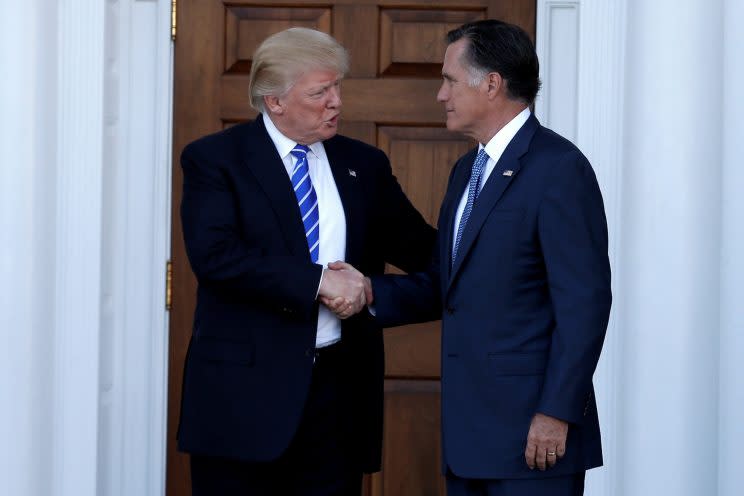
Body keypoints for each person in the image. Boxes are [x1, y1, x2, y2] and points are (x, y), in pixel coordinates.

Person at [326, 19, 612, 496]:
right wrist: (370, 291)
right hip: (470, 436)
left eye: (450, 80)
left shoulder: (559, 168)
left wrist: (556, 412)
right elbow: (451, 283)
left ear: (492, 84)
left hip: (533, 437)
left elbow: (584, 304)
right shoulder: (467, 170)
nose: (441, 94)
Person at [176, 27, 435, 495]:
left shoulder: (364, 164)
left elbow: (422, 251)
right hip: (243, 398)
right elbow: (216, 258)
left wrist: (502, 256)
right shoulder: (216, 160)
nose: (336, 100)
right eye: (320, 91)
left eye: (337, 87)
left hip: (338, 395)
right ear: (274, 101)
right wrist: (319, 282)